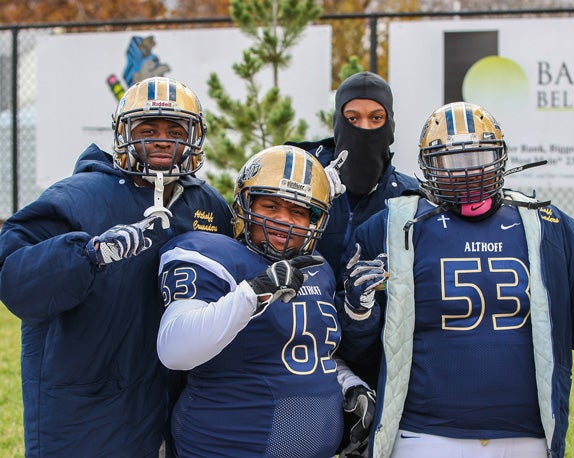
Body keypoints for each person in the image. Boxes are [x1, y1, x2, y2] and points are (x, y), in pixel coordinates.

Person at [337, 101, 574, 458]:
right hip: (424, 433)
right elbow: (358, 346)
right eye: (450, 162)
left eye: (479, 157)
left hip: (527, 434)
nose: (467, 172)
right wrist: (356, 312)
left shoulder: (546, 223)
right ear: (428, 165)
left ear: (500, 155)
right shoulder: (391, 226)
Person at [0, 76, 233, 457]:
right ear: (123, 134)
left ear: (195, 135)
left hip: (175, 405)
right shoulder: (76, 197)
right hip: (89, 408)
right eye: (148, 128)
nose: (162, 139)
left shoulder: (208, 206)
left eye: (175, 129)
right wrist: (88, 255)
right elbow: (15, 282)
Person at [156, 145, 375, 457]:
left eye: (298, 211)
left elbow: (306, 354)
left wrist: (348, 384)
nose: (283, 221)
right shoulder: (213, 256)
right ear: (246, 203)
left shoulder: (317, 268)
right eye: (271, 206)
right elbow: (174, 350)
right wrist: (254, 292)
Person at [287, 71, 418, 282]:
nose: (364, 128)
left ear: (390, 124)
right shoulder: (298, 180)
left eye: (376, 118)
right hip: (309, 309)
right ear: (338, 122)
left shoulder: (409, 198)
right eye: (353, 118)